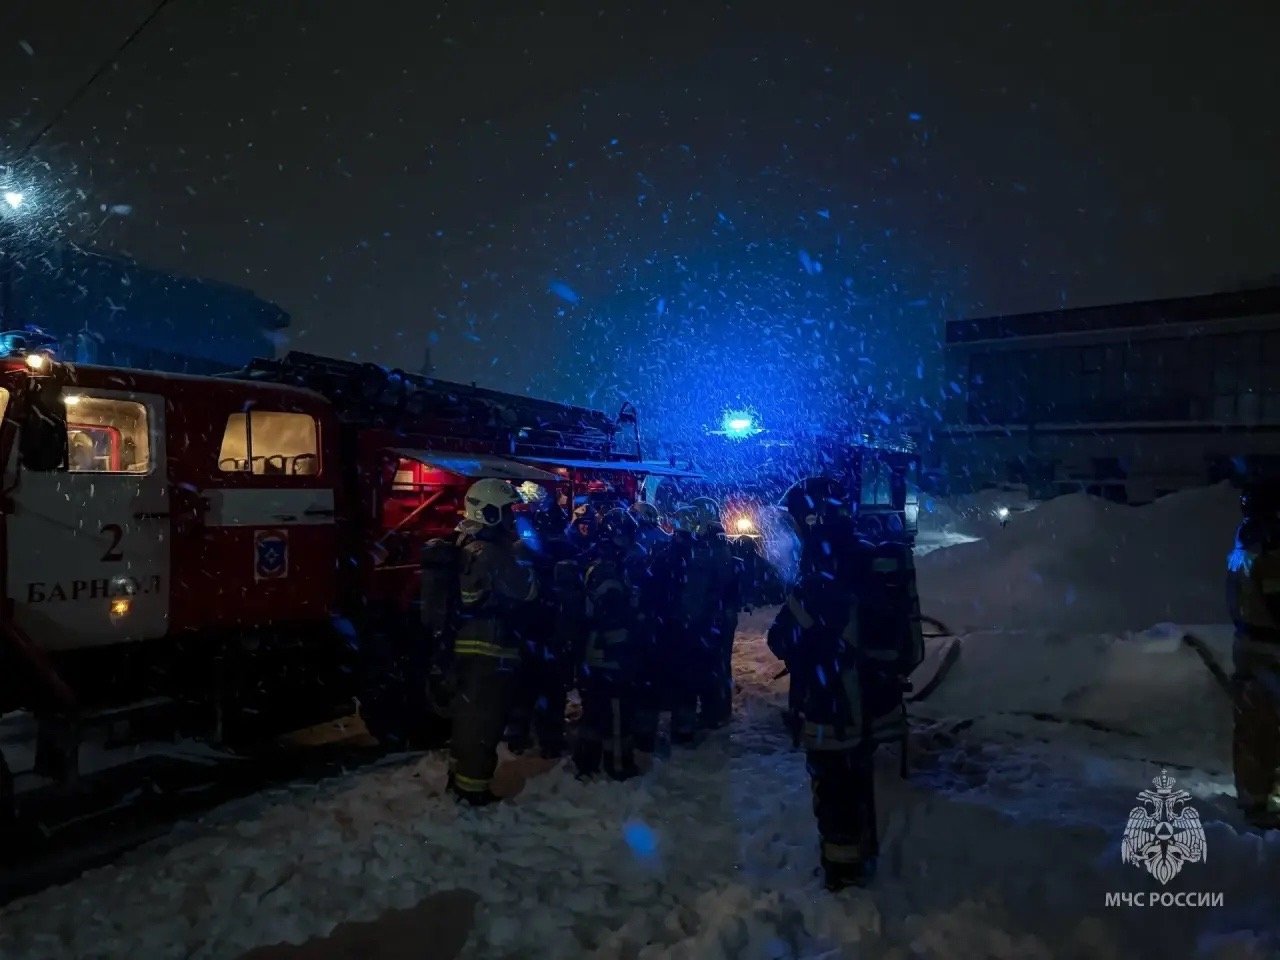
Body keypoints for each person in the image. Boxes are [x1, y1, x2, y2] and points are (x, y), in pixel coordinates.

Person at [765, 476, 907, 890]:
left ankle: (842, 877)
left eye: (797, 522)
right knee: (858, 780)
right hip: (870, 697)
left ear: (814, 519)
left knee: (834, 791)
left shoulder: (819, 580)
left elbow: (780, 638)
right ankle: (865, 855)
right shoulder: (864, 558)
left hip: (833, 705)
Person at [446, 478, 538, 806]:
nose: (513, 517)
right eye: (507, 510)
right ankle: (473, 791)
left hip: (467, 643)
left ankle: (459, 777)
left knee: (468, 716)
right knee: (484, 720)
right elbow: (526, 591)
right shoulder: (495, 553)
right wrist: (527, 561)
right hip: (490, 645)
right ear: (489, 513)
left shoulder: (463, 544)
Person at [574, 508, 647, 779]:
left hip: (593, 654)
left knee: (594, 711)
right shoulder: (606, 569)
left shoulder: (595, 560)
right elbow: (611, 616)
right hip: (607, 654)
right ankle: (619, 766)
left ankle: (586, 762)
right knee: (617, 711)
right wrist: (628, 645)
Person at [1227, 481, 1280, 829]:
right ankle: (1261, 805)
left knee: (1253, 725)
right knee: (1265, 727)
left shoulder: (1243, 544)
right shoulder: (1270, 548)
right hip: (1270, 648)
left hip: (1248, 644)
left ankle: (1254, 797)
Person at [506, 499, 576, 758]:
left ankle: (518, 735)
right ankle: (551, 739)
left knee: (524, 686)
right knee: (552, 688)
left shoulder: (519, 549)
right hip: (551, 630)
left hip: (528, 629)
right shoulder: (568, 550)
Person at [691, 497, 741, 729]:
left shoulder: (709, 547)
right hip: (724, 613)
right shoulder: (722, 544)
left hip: (714, 614)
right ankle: (720, 710)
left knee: (712, 663)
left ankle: (715, 713)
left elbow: (704, 585)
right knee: (721, 663)